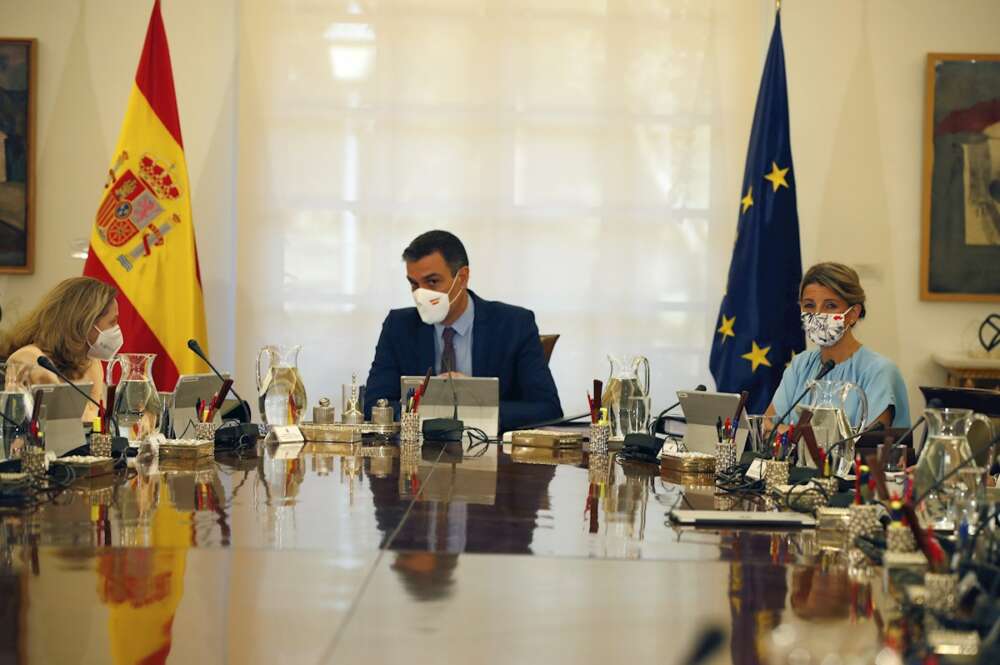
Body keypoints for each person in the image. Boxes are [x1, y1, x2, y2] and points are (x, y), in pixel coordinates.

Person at [364, 230, 562, 432]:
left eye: (432, 282)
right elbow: (374, 405)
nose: (420, 294)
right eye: (414, 284)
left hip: (495, 456)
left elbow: (548, 409)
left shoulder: (514, 325)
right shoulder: (398, 326)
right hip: (420, 455)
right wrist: (428, 409)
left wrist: (477, 405)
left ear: (462, 278)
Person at [766, 262, 910, 430]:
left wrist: (792, 435)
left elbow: (866, 443)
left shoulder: (879, 371)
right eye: (809, 305)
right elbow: (767, 425)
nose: (818, 314)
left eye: (830, 306)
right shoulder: (800, 365)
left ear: (853, 314)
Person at [1, 277, 121, 422]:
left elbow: (93, 425)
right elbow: (62, 423)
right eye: (112, 322)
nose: (116, 330)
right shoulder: (28, 358)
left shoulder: (91, 363)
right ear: (84, 321)